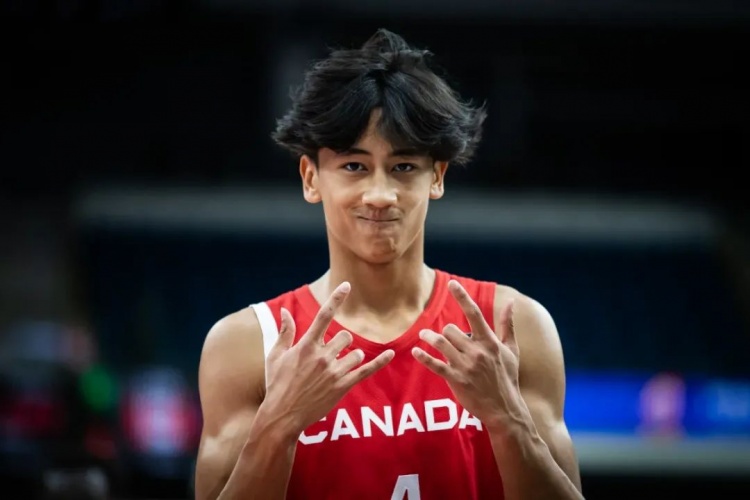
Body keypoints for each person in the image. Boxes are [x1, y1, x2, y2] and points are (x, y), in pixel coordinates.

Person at [195, 29, 583, 500]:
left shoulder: (513, 326)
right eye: (354, 166)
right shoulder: (245, 345)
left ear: (437, 177)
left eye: (403, 167)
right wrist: (278, 425)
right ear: (310, 178)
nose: (380, 195)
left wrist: (508, 420)